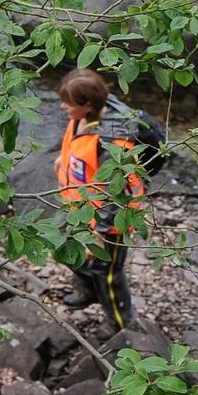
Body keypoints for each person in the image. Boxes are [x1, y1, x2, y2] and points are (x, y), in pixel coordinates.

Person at [54, 68, 158, 332]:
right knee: (65, 250)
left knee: (107, 273)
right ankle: (88, 288)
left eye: (68, 104)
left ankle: (121, 325)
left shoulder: (114, 141)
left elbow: (116, 195)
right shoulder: (82, 117)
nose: (62, 107)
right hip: (78, 207)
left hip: (107, 222)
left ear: (87, 105)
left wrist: (101, 233)